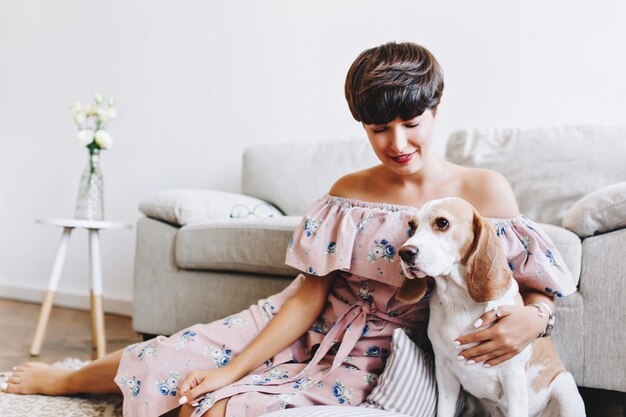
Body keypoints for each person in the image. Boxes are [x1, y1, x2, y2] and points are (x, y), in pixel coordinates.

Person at [1, 42, 576, 417]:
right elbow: (307, 296)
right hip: (301, 322)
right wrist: (232, 364)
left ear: (437, 107)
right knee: (175, 360)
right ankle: (59, 381)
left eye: (411, 123)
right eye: (379, 128)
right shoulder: (349, 190)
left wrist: (535, 315)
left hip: (379, 351)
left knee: (213, 410)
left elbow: (534, 279)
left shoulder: (484, 192)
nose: (397, 144)